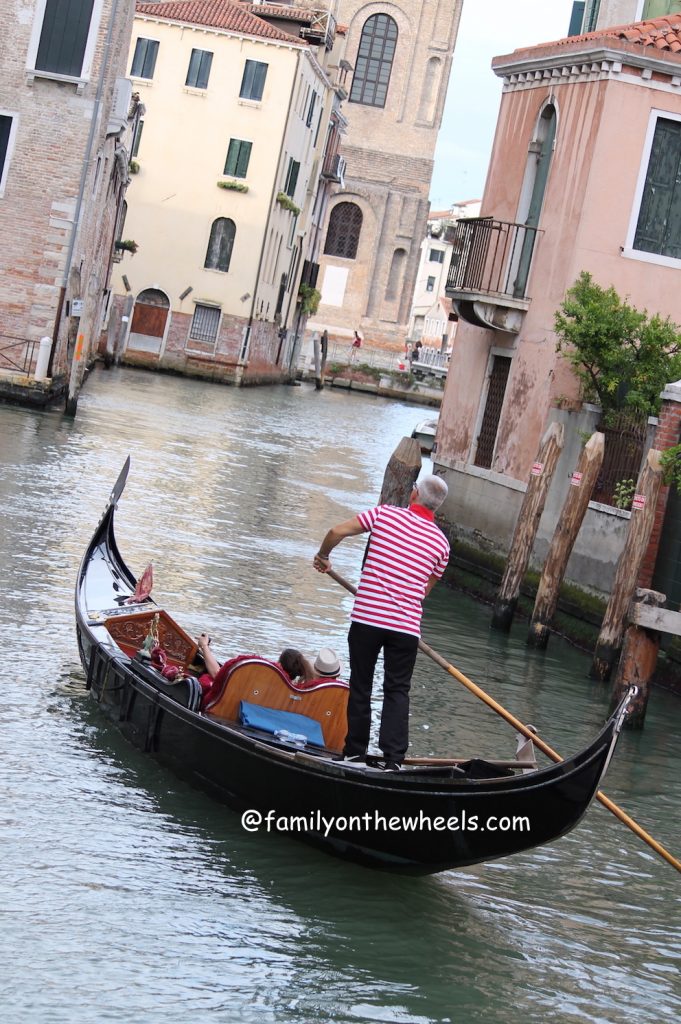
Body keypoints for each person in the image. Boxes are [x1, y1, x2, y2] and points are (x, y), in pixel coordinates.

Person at [313, 475, 450, 770]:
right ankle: (394, 761)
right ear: (437, 508)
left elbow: (336, 530)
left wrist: (324, 555)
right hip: (406, 628)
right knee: (397, 690)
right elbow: (424, 591)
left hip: (368, 620)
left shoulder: (384, 514)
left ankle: (354, 754)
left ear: (413, 494)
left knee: (361, 685)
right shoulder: (442, 544)